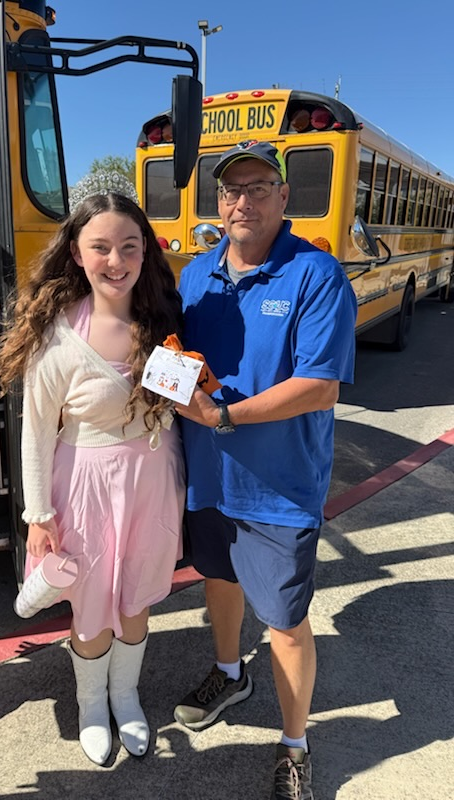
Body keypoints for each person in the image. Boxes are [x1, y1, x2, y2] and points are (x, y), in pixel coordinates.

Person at [173, 140, 358, 800]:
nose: (242, 200)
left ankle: (295, 744)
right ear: (217, 204)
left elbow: (319, 386)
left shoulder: (315, 274)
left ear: (284, 198)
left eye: (258, 187)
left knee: (283, 622)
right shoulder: (195, 276)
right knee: (217, 580)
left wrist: (224, 418)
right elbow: (173, 359)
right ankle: (229, 672)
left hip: (278, 487)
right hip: (208, 478)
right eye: (230, 190)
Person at [0, 192, 185, 765]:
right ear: (76, 254)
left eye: (130, 246)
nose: (116, 260)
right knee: (93, 605)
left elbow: (175, 406)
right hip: (87, 488)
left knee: (136, 599)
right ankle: (91, 706)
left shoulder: (162, 318)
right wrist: (38, 517)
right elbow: (37, 432)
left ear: (145, 252)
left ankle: (126, 698)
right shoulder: (58, 335)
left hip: (153, 481)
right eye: (100, 247)